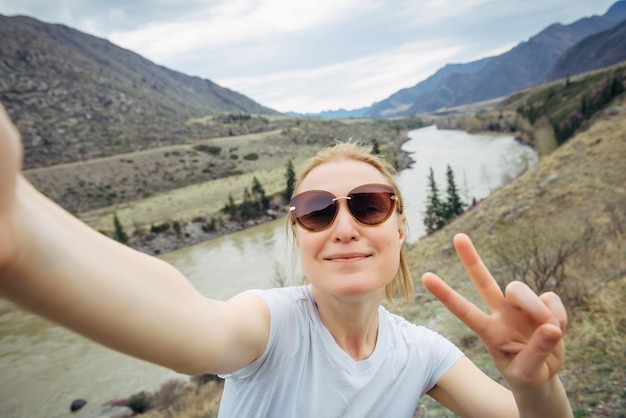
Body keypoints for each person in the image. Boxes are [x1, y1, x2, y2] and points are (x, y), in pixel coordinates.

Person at [0, 102, 572, 417]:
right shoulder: (269, 326)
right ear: (298, 234)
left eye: (369, 205)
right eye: (318, 211)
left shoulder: (420, 352)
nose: (344, 227)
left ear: (401, 224)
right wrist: (19, 231)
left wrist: (537, 387)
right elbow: (186, 321)